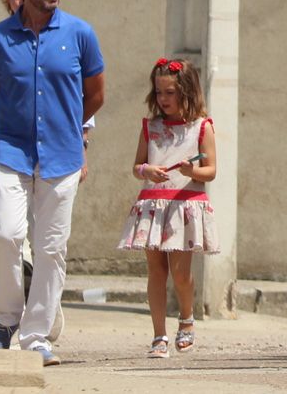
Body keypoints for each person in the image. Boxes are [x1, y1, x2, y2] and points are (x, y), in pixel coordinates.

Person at [0, 0, 106, 365]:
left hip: (62, 158)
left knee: (51, 249)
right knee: (6, 235)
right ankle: (8, 316)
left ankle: (36, 337)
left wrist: (65, 130)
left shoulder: (80, 34)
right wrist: (13, 131)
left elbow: (96, 94)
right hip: (10, 153)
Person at [118, 59, 219, 358]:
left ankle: (186, 320)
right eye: (159, 92)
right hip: (153, 204)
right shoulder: (151, 127)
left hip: (184, 205)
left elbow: (211, 170)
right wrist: (146, 170)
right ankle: (159, 335)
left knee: (180, 273)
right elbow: (137, 166)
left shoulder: (202, 127)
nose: (163, 99)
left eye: (170, 92)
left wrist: (191, 171)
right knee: (156, 271)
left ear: (187, 92)